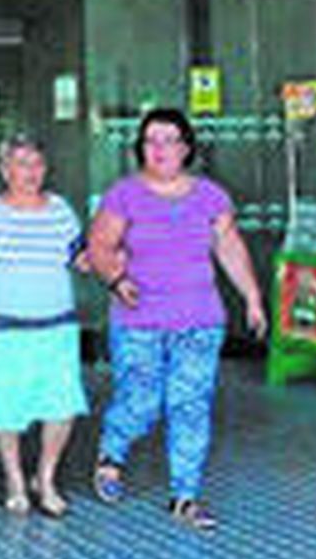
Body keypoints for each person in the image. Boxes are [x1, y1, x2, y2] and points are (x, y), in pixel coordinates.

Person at [86, 108, 266, 532]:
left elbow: (230, 248)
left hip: (199, 319)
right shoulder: (124, 195)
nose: (160, 148)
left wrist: (252, 298)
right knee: (143, 401)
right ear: (140, 149)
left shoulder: (210, 196)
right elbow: (99, 245)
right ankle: (112, 451)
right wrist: (116, 279)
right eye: (151, 140)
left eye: (169, 140)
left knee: (190, 405)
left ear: (186, 148)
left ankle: (185, 495)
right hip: (139, 320)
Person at [0, 135, 87, 518]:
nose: (31, 173)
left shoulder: (60, 210)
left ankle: (45, 479)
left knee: (62, 404)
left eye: (37, 164)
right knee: (3, 407)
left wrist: (116, 256)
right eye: (21, 164)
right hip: (1, 330)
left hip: (56, 328)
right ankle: (14, 480)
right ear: (4, 170)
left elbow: (81, 258)